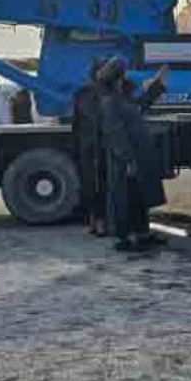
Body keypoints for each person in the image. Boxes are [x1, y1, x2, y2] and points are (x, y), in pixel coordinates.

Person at [100, 59, 169, 252]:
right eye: (124, 74)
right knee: (125, 198)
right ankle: (124, 238)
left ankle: (142, 235)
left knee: (139, 196)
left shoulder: (124, 98)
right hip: (125, 160)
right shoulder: (110, 102)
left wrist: (157, 84)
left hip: (138, 155)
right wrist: (127, 158)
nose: (126, 76)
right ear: (117, 77)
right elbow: (115, 133)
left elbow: (141, 105)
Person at [72, 59, 109, 236]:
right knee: (94, 183)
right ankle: (96, 220)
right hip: (94, 144)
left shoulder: (86, 93)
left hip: (97, 144)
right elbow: (77, 122)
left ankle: (98, 220)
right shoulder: (87, 93)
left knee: (98, 183)